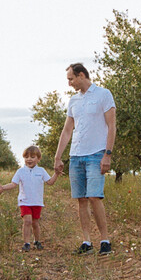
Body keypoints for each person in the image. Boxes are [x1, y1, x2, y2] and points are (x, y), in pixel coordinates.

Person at [52, 62, 117, 255]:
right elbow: (67, 130)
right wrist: (58, 157)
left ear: (81, 75)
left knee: (94, 196)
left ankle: (105, 241)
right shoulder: (73, 101)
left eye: (71, 79)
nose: (69, 83)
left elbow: (112, 126)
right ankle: (87, 242)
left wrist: (108, 154)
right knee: (81, 199)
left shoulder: (103, 94)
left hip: (96, 154)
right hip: (76, 155)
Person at [0, 144, 55, 251]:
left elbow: (50, 182)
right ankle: (26, 243)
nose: (29, 159)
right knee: (27, 221)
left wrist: (56, 173)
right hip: (24, 201)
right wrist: (2, 188)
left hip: (37, 202)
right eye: (26, 157)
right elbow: (13, 184)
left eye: (32, 157)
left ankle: (37, 241)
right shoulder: (20, 171)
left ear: (38, 159)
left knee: (35, 223)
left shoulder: (41, 171)